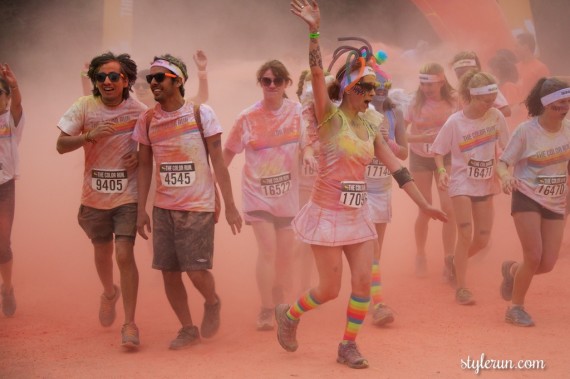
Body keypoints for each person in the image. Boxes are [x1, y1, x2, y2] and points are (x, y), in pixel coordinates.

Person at [279, 0, 447, 369]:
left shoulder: (372, 124)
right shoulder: (328, 118)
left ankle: (347, 345)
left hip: (358, 216)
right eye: (366, 86)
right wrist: (313, 32)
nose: (372, 92)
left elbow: (397, 169)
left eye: (374, 86)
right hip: (326, 215)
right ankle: (290, 314)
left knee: (361, 286)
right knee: (328, 289)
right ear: (349, 87)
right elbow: (317, 72)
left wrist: (423, 204)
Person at [134, 54, 242, 349]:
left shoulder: (201, 113)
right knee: (169, 271)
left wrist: (230, 206)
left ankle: (212, 300)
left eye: (159, 78)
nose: (153, 83)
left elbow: (218, 162)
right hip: (163, 208)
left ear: (178, 81)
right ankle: (187, 328)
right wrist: (141, 209)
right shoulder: (147, 119)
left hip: (198, 206)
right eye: (150, 79)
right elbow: (144, 166)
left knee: (195, 270)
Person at [56, 52, 146, 349]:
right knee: (102, 253)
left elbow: (157, 144)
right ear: (95, 81)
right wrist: (88, 136)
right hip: (94, 197)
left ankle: (130, 324)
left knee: (123, 254)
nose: (107, 82)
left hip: (126, 197)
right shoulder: (84, 106)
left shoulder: (139, 111)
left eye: (113, 77)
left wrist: (141, 156)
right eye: (101, 77)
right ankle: (109, 293)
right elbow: (60, 146)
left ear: (126, 81)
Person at [223, 59, 302, 331]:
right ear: (260, 84)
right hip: (257, 193)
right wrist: (213, 184)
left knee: (286, 253)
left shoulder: (298, 113)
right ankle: (267, 307)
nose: (271, 85)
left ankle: (278, 289)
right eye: (266, 80)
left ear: (285, 84)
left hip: (288, 195)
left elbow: (312, 143)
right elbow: (228, 152)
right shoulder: (246, 118)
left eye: (276, 81)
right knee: (267, 249)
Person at [431, 70, 509, 305]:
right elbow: (438, 151)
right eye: (486, 100)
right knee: (465, 232)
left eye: (493, 99)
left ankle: (454, 261)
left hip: (486, 183)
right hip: (462, 183)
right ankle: (462, 288)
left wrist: (506, 172)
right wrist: (443, 171)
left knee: (482, 238)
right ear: (473, 97)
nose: (491, 104)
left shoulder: (496, 117)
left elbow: (507, 147)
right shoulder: (455, 122)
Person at [497, 77, 570, 327]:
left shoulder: (569, 128)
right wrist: (505, 177)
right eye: (562, 102)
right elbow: (503, 162)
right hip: (526, 195)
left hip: (557, 199)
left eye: (569, 102)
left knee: (547, 263)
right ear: (548, 104)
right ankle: (515, 308)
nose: (566, 107)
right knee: (534, 256)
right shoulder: (526, 131)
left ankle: (512, 271)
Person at [406, 63, 458, 279]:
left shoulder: (455, 101)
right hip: (420, 157)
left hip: (446, 156)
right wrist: (423, 138)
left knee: (449, 208)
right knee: (425, 208)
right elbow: (399, 137)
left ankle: (449, 259)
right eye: (423, 83)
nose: (426, 88)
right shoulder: (413, 103)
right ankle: (420, 254)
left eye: (431, 83)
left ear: (442, 81)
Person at [364, 65, 407, 325]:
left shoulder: (394, 113)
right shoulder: (358, 113)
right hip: (360, 189)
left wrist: (387, 142)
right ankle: (377, 303)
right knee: (372, 247)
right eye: (374, 88)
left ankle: (367, 294)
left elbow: (404, 153)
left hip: (383, 189)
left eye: (384, 88)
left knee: (375, 252)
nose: (380, 93)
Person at [83, 50, 209, 108]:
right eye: (137, 86)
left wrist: (202, 71)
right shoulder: (133, 109)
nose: (140, 89)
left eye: (144, 85)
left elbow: (201, 97)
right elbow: (96, 102)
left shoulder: (169, 106)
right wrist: (85, 76)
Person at [0, 64, 23, 318]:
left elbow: (18, 104)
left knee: (2, 243)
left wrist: (14, 84)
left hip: (4, 187)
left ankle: (7, 288)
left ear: (6, 98)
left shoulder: (10, 120)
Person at [451, 51, 512, 118]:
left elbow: (507, 111)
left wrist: (480, 116)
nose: (463, 78)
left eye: (466, 74)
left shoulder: (486, 86)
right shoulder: (459, 93)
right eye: (459, 75)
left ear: (476, 71)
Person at [515, 33, 550, 99]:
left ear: (526, 47)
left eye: (517, 46)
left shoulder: (540, 68)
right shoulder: (516, 67)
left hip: (533, 107)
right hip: (517, 107)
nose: (515, 49)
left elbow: (545, 92)